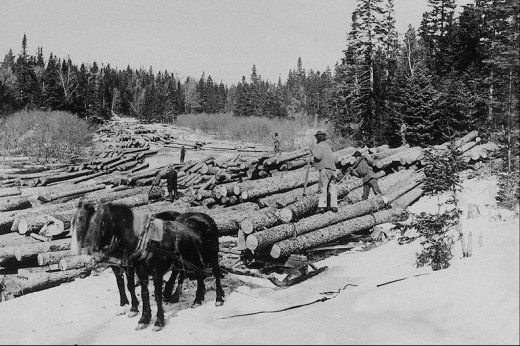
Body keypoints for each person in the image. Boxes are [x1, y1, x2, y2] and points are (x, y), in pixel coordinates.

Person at [310, 130, 338, 213]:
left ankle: (322, 206)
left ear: (318, 138)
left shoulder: (319, 146)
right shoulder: (327, 146)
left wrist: (312, 150)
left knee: (323, 188)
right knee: (332, 189)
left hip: (325, 169)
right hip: (332, 169)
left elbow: (318, 156)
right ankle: (334, 206)